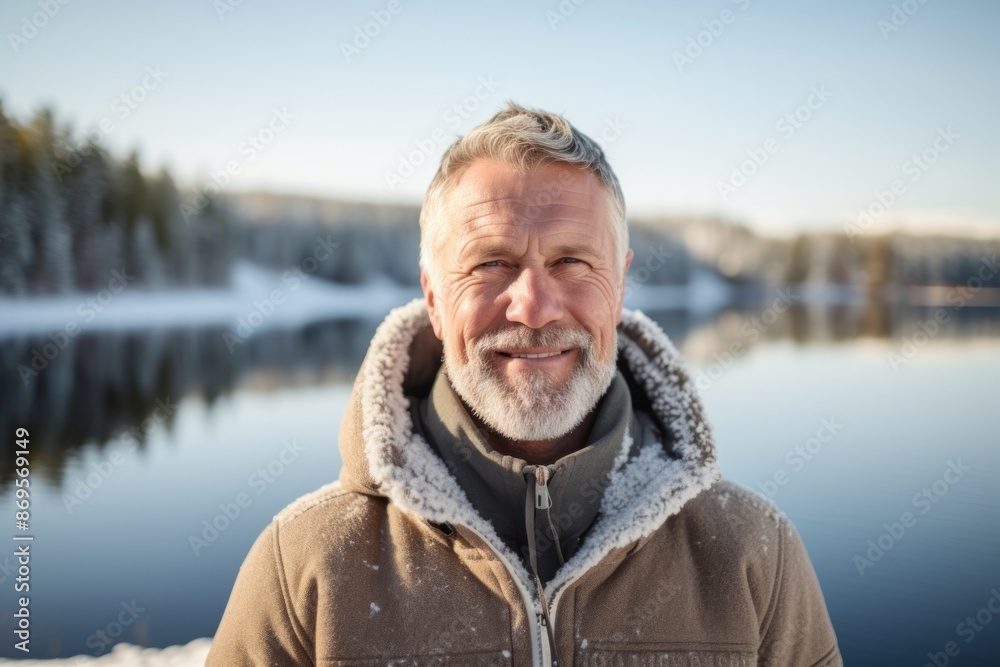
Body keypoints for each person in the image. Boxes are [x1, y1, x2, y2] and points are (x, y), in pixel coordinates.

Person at [206, 102, 842, 666]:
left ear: (619, 287)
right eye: (491, 264)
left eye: (571, 261)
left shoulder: (754, 556)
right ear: (432, 295)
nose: (534, 307)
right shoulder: (305, 569)